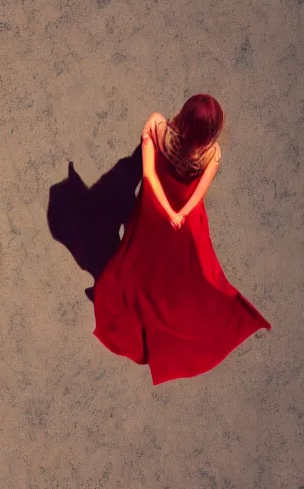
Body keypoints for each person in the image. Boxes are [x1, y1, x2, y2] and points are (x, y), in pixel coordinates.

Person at [92, 94, 271, 384]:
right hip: (185, 220)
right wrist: (180, 216)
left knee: (142, 253)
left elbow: (149, 175)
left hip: (154, 209)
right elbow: (200, 193)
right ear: (212, 133)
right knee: (192, 270)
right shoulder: (211, 154)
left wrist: (165, 212)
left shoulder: (157, 127)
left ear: (184, 115)